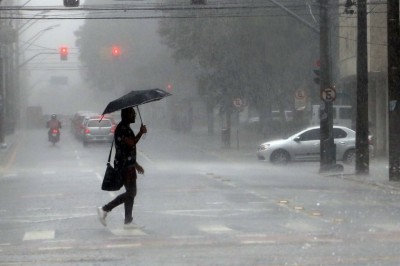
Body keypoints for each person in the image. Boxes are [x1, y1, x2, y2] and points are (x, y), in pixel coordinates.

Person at [97, 107, 147, 227]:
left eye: (134, 114)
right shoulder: (122, 129)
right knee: (131, 193)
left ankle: (128, 221)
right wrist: (140, 132)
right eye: (132, 114)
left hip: (128, 164)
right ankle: (105, 209)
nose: (134, 116)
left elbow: (128, 149)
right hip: (124, 166)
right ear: (126, 115)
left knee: (131, 192)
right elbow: (131, 143)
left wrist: (136, 164)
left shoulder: (126, 127)